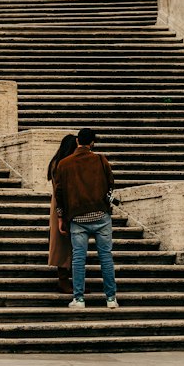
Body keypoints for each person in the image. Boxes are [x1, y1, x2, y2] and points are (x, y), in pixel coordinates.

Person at [53, 127, 118, 310]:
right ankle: (111, 298)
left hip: (77, 218)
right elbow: (111, 184)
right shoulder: (100, 160)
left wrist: (60, 216)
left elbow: (59, 193)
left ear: (77, 142)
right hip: (101, 215)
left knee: (78, 259)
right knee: (106, 257)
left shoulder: (64, 164)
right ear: (92, 143)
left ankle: (79, 299)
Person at [47, 134, 77, 296]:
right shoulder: (60, 164)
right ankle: (63, 281)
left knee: (67, 244)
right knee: (63, 244)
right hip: (61, 206)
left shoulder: (57, 162)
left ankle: (70, 281)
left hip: (60, 205)